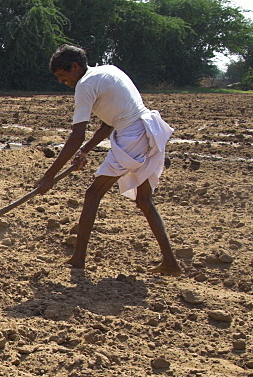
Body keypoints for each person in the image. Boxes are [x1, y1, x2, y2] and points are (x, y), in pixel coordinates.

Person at [36, 44, 182, 275]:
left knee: (93, 194)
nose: (63, 83)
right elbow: (107, 124)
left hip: (133, 136)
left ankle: (78, 259)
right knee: (144, 200)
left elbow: (76, 135)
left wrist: (49, 176)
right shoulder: (109, 71)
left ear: (75, 67)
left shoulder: (85, 84)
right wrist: (85, 151)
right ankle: (171, 263)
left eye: (63, 77)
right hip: (147, 131)